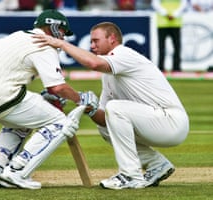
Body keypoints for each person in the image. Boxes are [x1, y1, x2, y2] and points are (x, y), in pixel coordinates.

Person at [33, 22, 189, 189]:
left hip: (171, 122)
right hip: (157, 123)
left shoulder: (124, 54)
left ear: (112, 38)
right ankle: (156, 164)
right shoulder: (107, 75)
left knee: (114, 108)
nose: (92, 46)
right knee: (106, 124)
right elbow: (103, 119)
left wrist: (62, 43)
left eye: (96, 41)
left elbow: (94, 64)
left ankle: (130, 175)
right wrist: (84, 104)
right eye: (91, 41)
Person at [0, 9, 98, 189]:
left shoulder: (14, 37)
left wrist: (49, 96)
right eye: (63, 33)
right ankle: (17, 171)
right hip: (1, 96)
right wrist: (80, 98)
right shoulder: (43, 44)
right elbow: (57, 87)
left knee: (22, 119)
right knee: (61, 123)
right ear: (54, 28)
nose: (63, 40)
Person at [151, 0, 188, 72]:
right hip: (163, 23)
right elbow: (155, 3)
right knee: (162, 47)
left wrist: (174, 14)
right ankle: (161, 67)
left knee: (177, 47)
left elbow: (184, 4)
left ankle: (176, 68)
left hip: (175, 23)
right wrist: (167, 14)